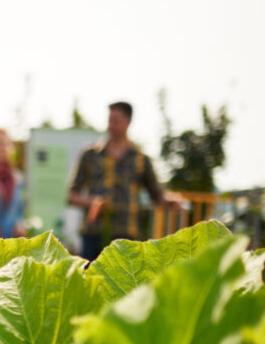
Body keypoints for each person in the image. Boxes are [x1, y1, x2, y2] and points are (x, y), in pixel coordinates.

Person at [67, 101, 180, 260]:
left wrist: (170, 201)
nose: (111, 125)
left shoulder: (141, 159)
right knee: (89, 281)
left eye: (116, 121)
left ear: (128, 122)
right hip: (94, 234)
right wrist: (91, 202)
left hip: (127, 236)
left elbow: (156, 194)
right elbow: (71, 196)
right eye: (110, 120)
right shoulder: (90, 155)